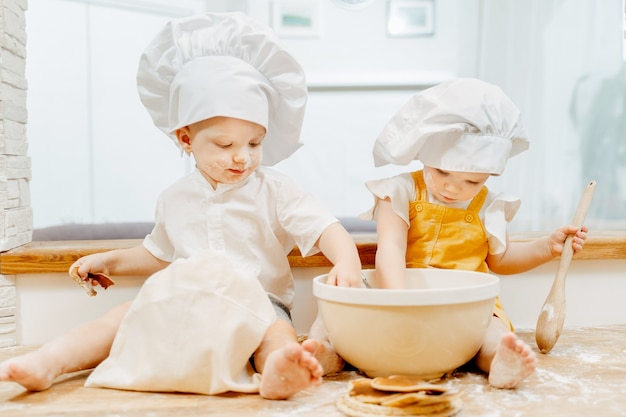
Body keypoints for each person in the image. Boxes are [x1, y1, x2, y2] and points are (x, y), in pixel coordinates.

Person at [0, 13, 362, 400]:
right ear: (186, 138)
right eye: (225, 145)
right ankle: (47, 363)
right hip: (189, 294)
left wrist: (346, 260)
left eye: (255, 143)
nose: (242, 157)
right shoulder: (175, 197)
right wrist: (110, 261)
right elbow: (159, 255)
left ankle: (278, 366)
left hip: (260, 299)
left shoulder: (275, 189)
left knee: (277, 331)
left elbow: (324, 226)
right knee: (119, 320)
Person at [361, 78, 588, 389]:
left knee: (492, 331)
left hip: (467, 306)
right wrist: (401, 306)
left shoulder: (490, 206)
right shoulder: (399, 191)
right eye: (442, 172)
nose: (454, 188)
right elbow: (390, 251)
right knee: (343, 322)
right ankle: (324, 353)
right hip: (401, 293)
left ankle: (499, 360)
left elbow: (501, 260)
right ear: (425, 154)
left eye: (473, 182)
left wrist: (547, 247)